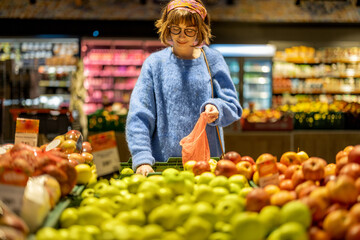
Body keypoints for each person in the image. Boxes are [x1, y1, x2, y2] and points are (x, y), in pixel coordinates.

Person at [125, 0, 242, 176]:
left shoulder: (213, 60)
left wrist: (217, 107)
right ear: (167, 28)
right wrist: (141, 157)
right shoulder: (154, 64)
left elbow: (233, 105)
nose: (181, 36)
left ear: (199, 30)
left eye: (189, 30)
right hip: (164, 164)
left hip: (207, 163)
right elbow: (140, 114)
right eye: (175, 29)